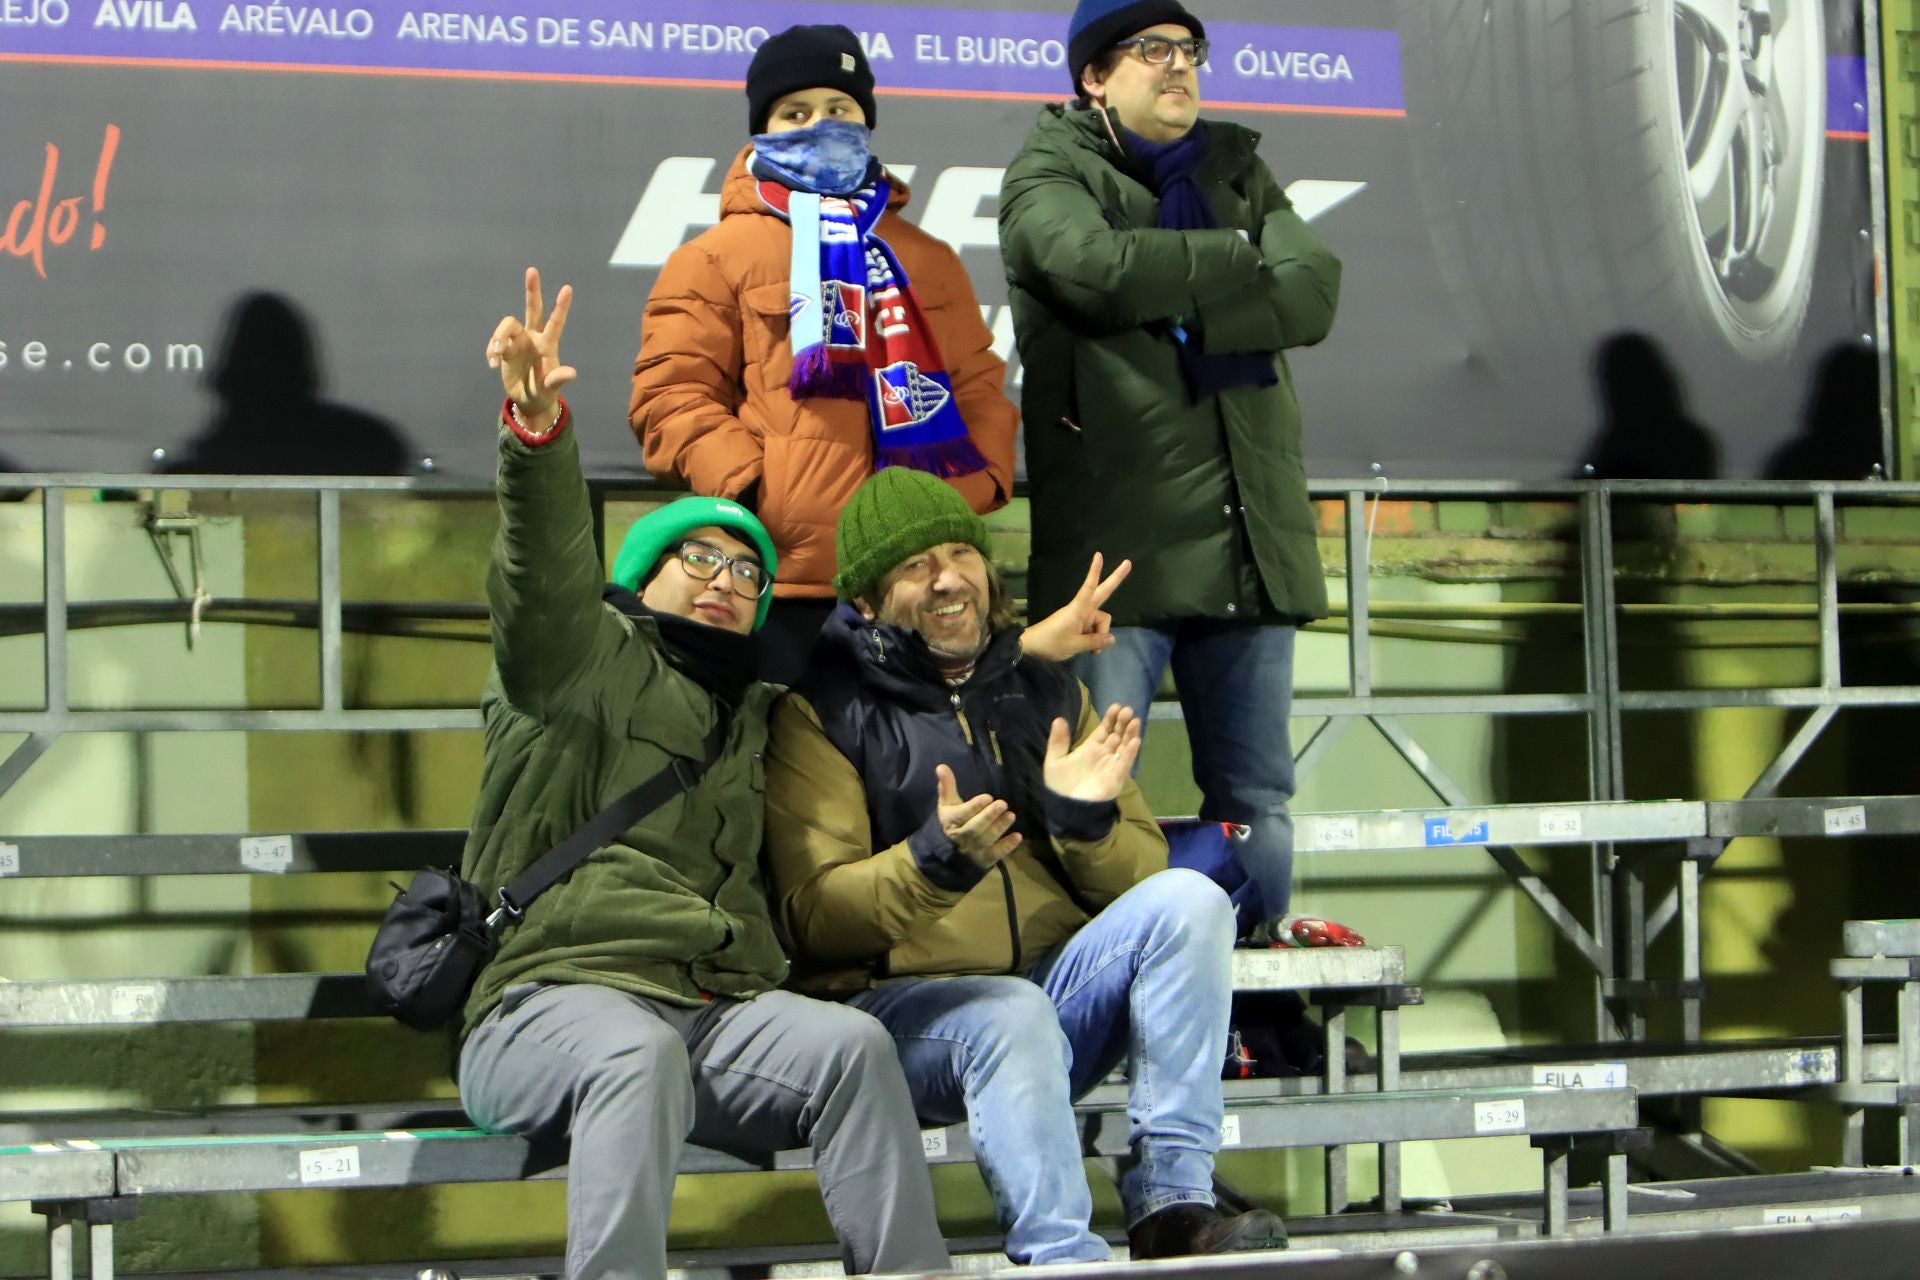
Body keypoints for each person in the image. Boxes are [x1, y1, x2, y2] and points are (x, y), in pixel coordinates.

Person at [456, 269, 952, 1280]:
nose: (728, 581)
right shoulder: (576, 660)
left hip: (705, 1008)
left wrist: (1023, 647)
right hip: (549, 1003)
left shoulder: (759, 709)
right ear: (642, 577)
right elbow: (541, 571)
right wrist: (536, 429)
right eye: (702, 560)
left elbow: (897, 675)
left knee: (853, 1051)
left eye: (748, 572)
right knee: (632, 1057)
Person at [762, 465, 1289, 1264]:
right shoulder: (822, 715)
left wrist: (1083, 822)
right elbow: (816, 920)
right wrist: (933, 863)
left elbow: (1143, 877)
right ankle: (1061, 1258)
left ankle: (1172, 1203)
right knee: (1009, 1012)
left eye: (960, 555)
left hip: (1052, 995)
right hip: (905, 1020)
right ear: (866, 602)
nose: (948, 580)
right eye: (915, 565)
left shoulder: (1046, 689)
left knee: (1192, 899)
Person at [997, 0, 1344, 941]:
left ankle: (1258, 1009)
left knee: (1258, 798)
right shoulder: (1047, 171)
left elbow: (1314, 289)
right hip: (1117, 563)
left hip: (1248, 545)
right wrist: (1235, 260)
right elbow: (1092, 266)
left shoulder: (1238, 164)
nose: (1179, 67)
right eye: (1151, 50)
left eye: (1189, 50)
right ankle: (1105, 998)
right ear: (1093, 77)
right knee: (1092, 793)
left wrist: (1188, 308)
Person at [631, 22, 1018, 684]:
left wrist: (963, 493)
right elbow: (671, 398)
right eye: (795, 112)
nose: (820, 124)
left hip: (913, 587)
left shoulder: (928, 258)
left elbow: (978, 391)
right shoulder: (712, 259)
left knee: (918, 785)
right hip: (782, 591)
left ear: (865, 118)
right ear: (763, 127)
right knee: (788, 784)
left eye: (839, 109)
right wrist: (760, 493)